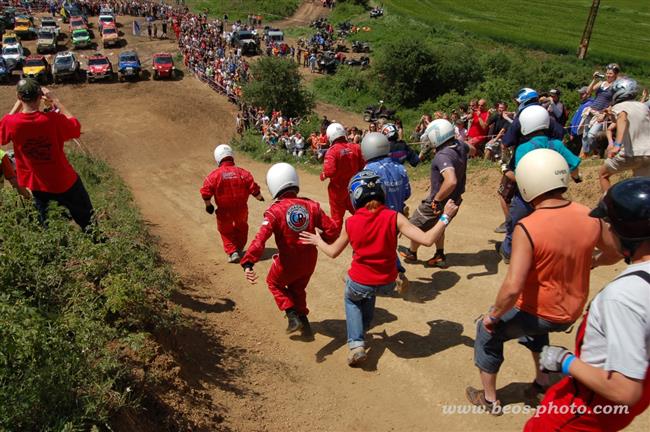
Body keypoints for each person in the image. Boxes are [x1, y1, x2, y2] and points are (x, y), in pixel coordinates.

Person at [466, 149, 618, 415]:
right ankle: (541, 382)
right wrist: (593, 262)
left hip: (540, 312)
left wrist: (493, 316)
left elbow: (513, 287)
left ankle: (489, 398)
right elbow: (615, 251)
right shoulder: (589, 215)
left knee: (487, 330)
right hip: (570, 311)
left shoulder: (529, 227)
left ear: (527, 184)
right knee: (531, 318)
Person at [525, 177, 650, 431]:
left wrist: (565, 360)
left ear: (623, 232)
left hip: (587, 406)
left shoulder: (622, 296)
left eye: (610, 224)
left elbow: (624, 391)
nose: (607, 228)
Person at [300, 171, 459, 366]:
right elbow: (427, 240)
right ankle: (364, 326)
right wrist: (445, 217)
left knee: (353, 297)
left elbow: (333, 253)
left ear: (355, 196)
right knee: (369, 291)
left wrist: (317, 240)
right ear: (380, 191)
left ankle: (357, 344)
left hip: (360, 281)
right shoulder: (394, 217)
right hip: (387, 282)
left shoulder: (351, 222)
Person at [242, 163, 339, 339]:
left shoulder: (274, 211)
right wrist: (322, 241)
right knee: (298, 288)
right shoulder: (312, 205)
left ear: (273, 185)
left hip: (288, 260)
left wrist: (248, 262)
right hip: (310, 260)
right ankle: (305, 325)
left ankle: (292, 316)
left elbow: (260, 239)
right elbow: (332, 229)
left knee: (274, 283)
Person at [0, 79, 94, 230]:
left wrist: (17, 105)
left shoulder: (11, 123)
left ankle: (57, 251)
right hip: (65, 181)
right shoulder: (53, 120)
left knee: (50, 228)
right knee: (89, 222)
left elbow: (2, 134)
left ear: (19, 97)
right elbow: (75, 128)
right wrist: (56, 101)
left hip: (39, 186)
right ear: (39, 97)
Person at [498, 106, 582, 263]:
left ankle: (509, 251)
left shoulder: (523, 148)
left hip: (527, 197)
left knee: (515, 223)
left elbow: (519, 175)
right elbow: (574, 165)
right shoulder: (557, 145)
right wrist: (576, 178)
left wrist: (504, 169)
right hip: (554, 195)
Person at [400, 119, 468, 269]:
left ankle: (412, 252)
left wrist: (436, 199)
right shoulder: (461, 145)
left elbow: (451, 181)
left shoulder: (442, 156)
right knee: (439, 224)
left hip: (439, 200)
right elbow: (473, 149)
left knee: (413, 226)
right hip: (454, 200)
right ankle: (439, 255)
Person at [361, 132, 411, 292]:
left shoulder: (369, 169)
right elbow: (407, 193)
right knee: (389, 245)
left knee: (372, 248)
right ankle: (395, 274)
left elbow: (362, 196)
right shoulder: (399, 167)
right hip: (397, 216)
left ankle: (394, 275)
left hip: (378, 216)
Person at [200, 144, 264, 263]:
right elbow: (253, 187)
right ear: (231, 156)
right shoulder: (243, 173)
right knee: (242, 227)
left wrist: (208, 205)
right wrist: (259, 197)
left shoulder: (214, 176)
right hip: (241, 209)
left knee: (225, 230)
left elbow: (206, 192)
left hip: (224, 210)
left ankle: (232, 252)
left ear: (217, 158)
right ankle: (239, 249)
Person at [598, 77, 650, 191]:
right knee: (642, 186)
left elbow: (623, 118)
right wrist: (611, 115)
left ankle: (609, 205)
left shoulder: (619, 106)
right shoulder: (643, 107)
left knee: (603, 175)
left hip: (630, 154)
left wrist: (616, 145)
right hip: (648, 154)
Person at [320, 122, 365, 227]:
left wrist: (323, 175)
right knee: (359, 213)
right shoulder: (356, 147)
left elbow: (329, 171)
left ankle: (334, 240)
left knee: (336, 219)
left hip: (337, 190)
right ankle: (368, 231)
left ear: (330, 136)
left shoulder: (332, 151)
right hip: (354, 187)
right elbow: (363, 166)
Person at [581, 63, 620, 158]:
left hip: (601, 114)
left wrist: (604, 115)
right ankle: (586, 154)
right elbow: (588, 92)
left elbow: (613, 102)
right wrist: (594, 79)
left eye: (610, 73)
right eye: (607, 73)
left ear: (615, 75)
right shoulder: (601, 83)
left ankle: (596, 152)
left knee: (591, 135)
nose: (608, 75)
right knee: (585, 135)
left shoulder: (615, 87)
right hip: (591, 110)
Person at [568, 86, 595, 155]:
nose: (580, 95)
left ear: (588, 94)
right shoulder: (583, 104)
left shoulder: (590, 104)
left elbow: (582, 120)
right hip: (575, 132)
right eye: (580, 94)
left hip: (580, 132)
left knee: (575, 152)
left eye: (582, 94)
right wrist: (571, 132)